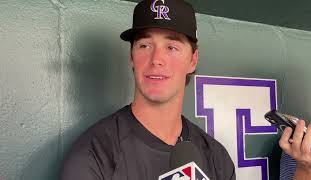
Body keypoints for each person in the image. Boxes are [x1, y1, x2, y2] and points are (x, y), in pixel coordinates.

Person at [60, 0, 236, 179]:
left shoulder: (216, 159)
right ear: (131, 56)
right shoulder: (94, 155)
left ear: (193, 60)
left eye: (171, 47)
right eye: (145, 45)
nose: (156, 59)